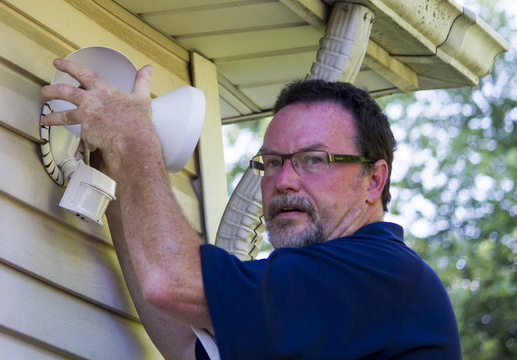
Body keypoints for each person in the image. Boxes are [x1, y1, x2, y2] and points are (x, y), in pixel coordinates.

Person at [41, 58, 462, 359]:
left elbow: (173, 283)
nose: (284, 180)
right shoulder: (321, 308)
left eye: (314, 160)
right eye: (272, 162)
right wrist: (115, 162)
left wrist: (134, 138)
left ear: (374, 180)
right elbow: (189, 346)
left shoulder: (379, 274)